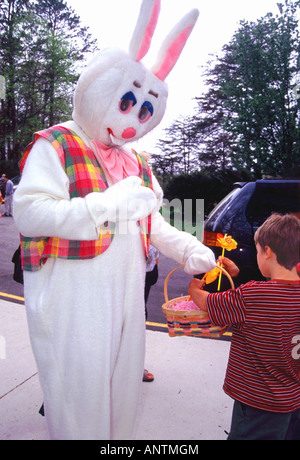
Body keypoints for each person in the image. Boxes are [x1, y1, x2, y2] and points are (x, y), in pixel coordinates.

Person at [188, 213, 300, 440]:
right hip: (292, 399)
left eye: (258, 251)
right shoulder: (269, 295)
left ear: (267, 252)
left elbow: (210, 304)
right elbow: (268, 297)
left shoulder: (252, 296)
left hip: (257, 402)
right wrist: (238, 275)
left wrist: (194, 289)